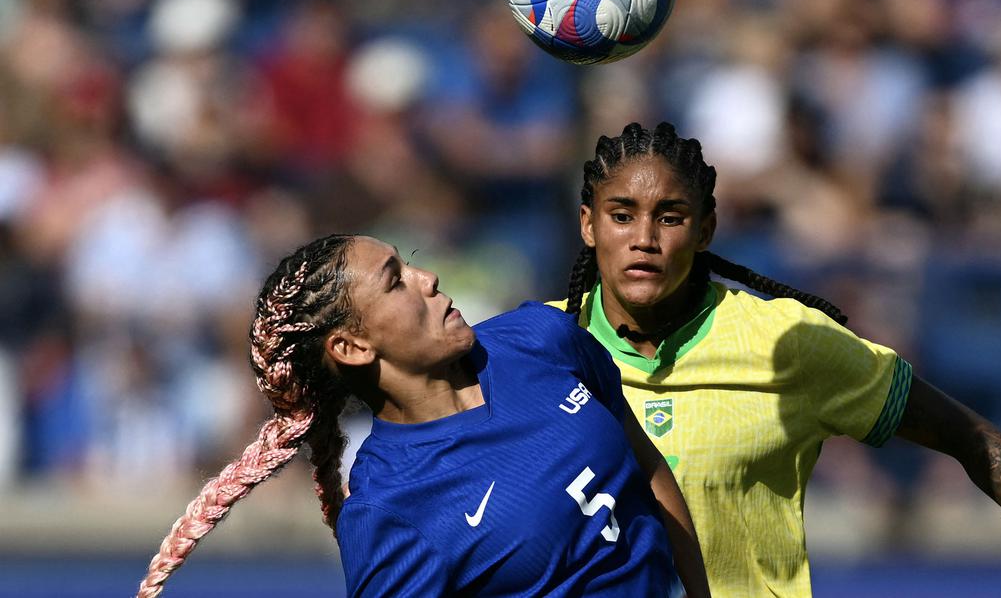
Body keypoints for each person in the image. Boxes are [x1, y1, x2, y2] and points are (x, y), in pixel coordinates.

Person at [549, 122, 1001, 598]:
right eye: (622, 215)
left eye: (671, 217)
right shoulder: (536, 349)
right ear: (588, 224)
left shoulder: (788, 342)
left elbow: (969, 435)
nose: (645, 237)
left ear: (706, 229)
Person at [136, 233, 710, 598]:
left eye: (407, 263)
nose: (427, 277)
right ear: (354, 347)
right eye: (395, 281)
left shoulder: (540, 336)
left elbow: (645, 464)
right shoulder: (389, 514)